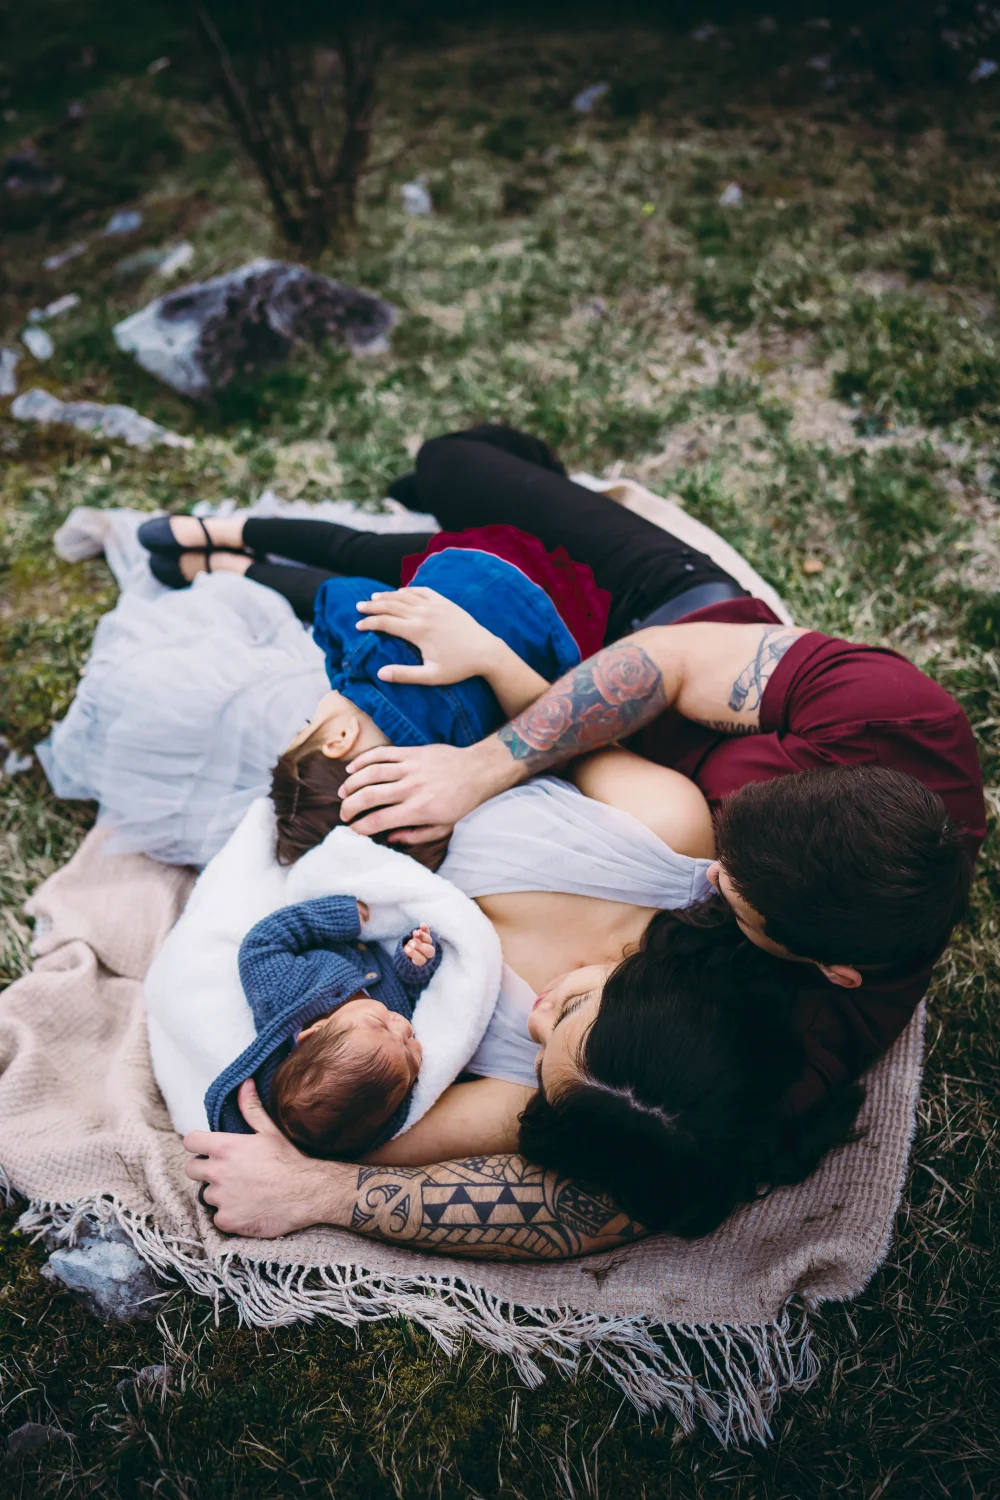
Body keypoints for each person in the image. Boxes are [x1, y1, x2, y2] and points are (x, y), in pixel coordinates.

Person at [185, 426, 984, 1258]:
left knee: (414, 587)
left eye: (734, 898)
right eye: (727, 855)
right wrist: (486, 763)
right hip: (664, 624)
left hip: (576, 743)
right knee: (451, 467)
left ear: (828, 966)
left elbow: (625, 1181)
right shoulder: (896, 720)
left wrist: (322, 1190)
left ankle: (291, 557)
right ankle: (463, 517)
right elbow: (668, 662)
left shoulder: (793, 1033)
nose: (707, 878)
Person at [205, 894, 439, 1157]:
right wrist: (414, 964)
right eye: (411, 1056)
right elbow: (413, 991)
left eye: (380, 1025)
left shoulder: (283, 991)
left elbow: (262, 944)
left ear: (315, 1032)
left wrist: (334, 916)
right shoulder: (391, 1030)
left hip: (334, 926)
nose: (404, 1027)